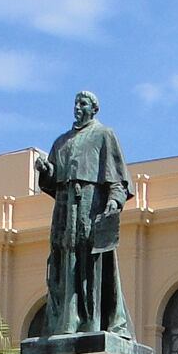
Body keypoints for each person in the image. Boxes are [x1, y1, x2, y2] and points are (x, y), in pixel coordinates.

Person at [35, 90, 134, 338]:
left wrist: (114, 201)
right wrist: (46, 171)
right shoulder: (61, 142)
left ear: (94, 108)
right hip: (64, 210)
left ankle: (93, 322)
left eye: (83, 103)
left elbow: (118, 180)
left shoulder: (104, 135)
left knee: (92, 266)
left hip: (92, 207)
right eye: (75, 103)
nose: (77, 107)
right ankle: (67, 322)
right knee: (64, 264)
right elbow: (52, 182)